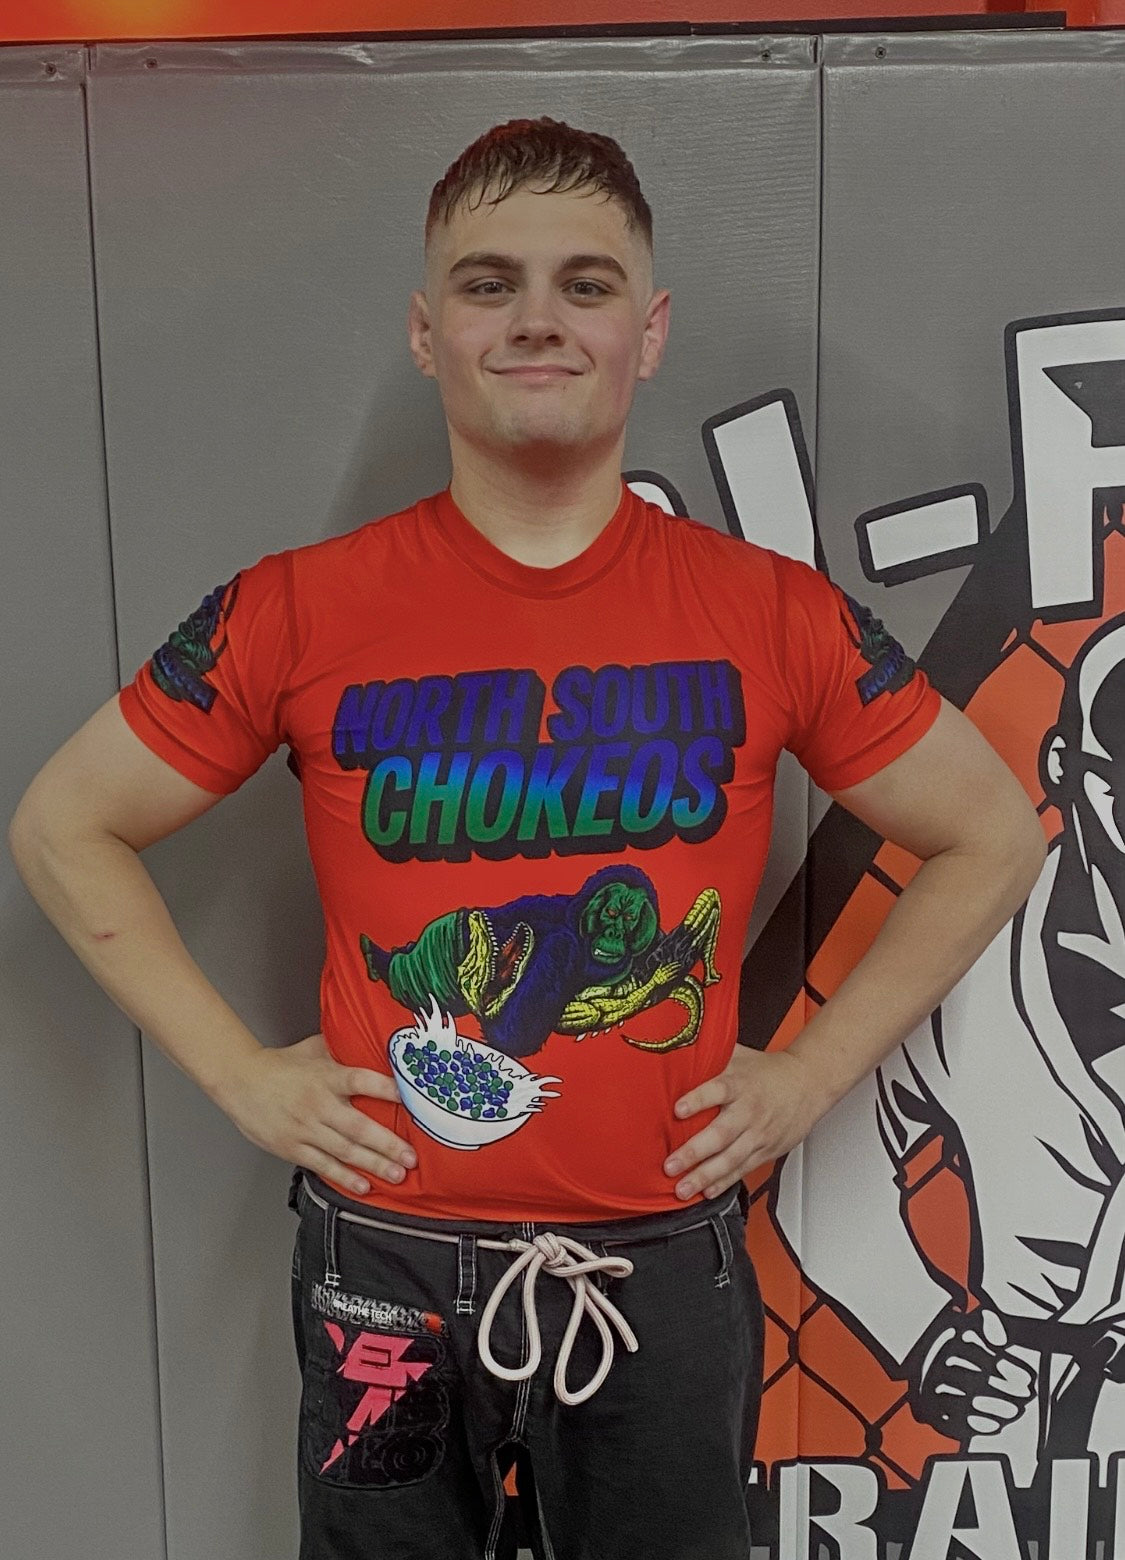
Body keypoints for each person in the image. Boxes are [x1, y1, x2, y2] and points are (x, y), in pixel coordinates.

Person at [7, 117, 1045, 1560]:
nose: (538, 319)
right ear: (426, 332)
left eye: (585, 284)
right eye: (489, 284)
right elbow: (65, 826)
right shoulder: (297, 607)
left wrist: (809, 1074)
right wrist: (239, 1075)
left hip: (659, 1271)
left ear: (648, 332)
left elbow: (990, 835)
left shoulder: (772, 612)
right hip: (384, 1275)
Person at [774, 608, 1125, 1489]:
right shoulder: (974, 942)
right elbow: (827, 1165)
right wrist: (927, 1337)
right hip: (1031, 1409)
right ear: (1065, 768)